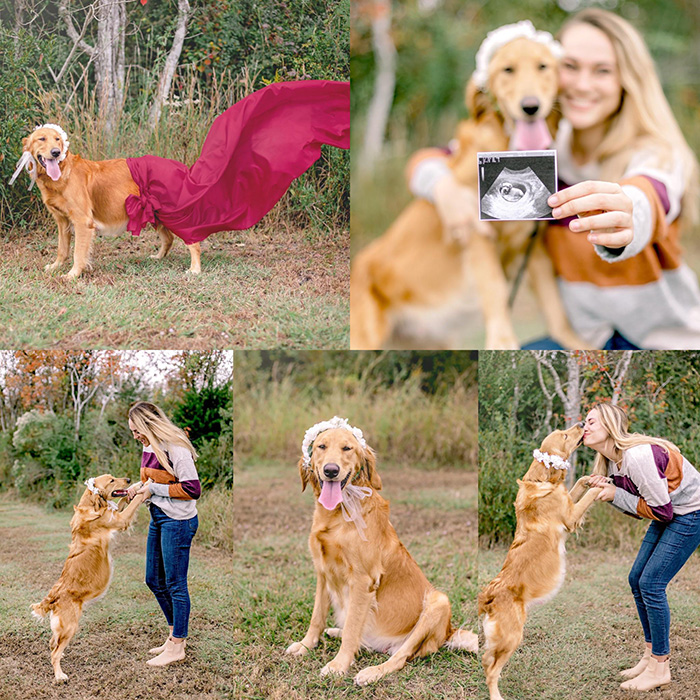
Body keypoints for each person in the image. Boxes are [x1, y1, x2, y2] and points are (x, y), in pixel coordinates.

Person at [408, 9, 700, 349]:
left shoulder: (660, 154)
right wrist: (444, 190)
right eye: (570, 67)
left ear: (628, 79)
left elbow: (649, 196)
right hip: (587, 337)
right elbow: (430, 160)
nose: (581, 85)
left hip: (662, 342)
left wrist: (626, 215)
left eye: (602, 71)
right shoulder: (541, 147)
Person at [583, 403, 700, 691]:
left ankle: (660, 667)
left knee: (651, 583)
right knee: (636, 579)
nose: (584, 427)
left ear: (609, 427)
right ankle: (650, 657)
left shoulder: (637, 456)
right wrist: (613, 491)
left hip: (691, 512)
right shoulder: (613, 462)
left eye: (591, 422)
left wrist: (616, 494)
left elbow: (662, 512)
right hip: (672, 511)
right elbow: (643, 508)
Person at [126, 401, 201, 667]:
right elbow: (156, 480)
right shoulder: (149, 445)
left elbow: (192, 489)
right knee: (152, 579)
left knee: (175, 583)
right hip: (158, 517)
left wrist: (153, 489)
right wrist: (137, 487)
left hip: (178, 522)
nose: (135, 436)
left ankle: (178, 645)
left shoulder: (176, 446)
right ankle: (173, 635)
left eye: (137, 430)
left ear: (148, 424)